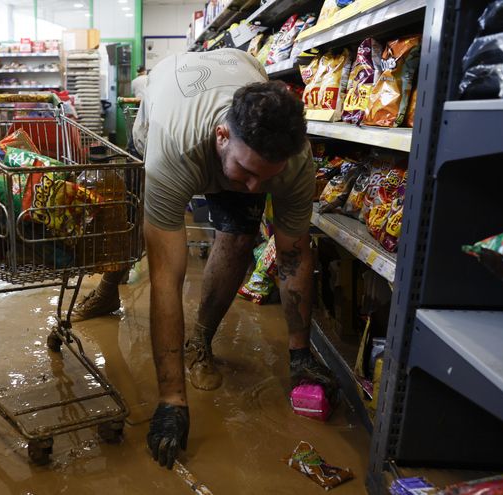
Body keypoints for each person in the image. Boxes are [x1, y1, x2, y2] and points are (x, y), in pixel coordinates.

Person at [74, 48, 337, 469]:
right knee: (125, 219)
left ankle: (201, 341)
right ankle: (108, 289)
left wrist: (300, 356)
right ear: (221, 137)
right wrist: (172, 401)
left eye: (266, 177)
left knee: (239, 234)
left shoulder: (294, 162)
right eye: (246, 172)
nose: (254, 187)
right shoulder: (174, 147)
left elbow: (291, 253)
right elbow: (166, 277)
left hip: (233, 74)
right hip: (164, 113)